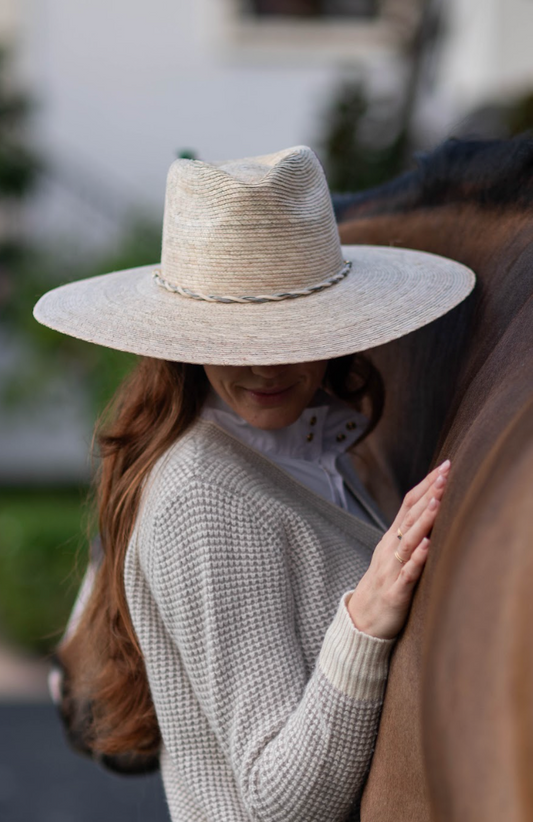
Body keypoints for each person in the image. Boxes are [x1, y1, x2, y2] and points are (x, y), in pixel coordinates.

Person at [33, 145, 475, 821]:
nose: (263, 365)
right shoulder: (202, 497)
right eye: (231, 335)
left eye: (289, 333)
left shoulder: (310, 446)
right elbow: (279, 805)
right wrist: (363, 622)